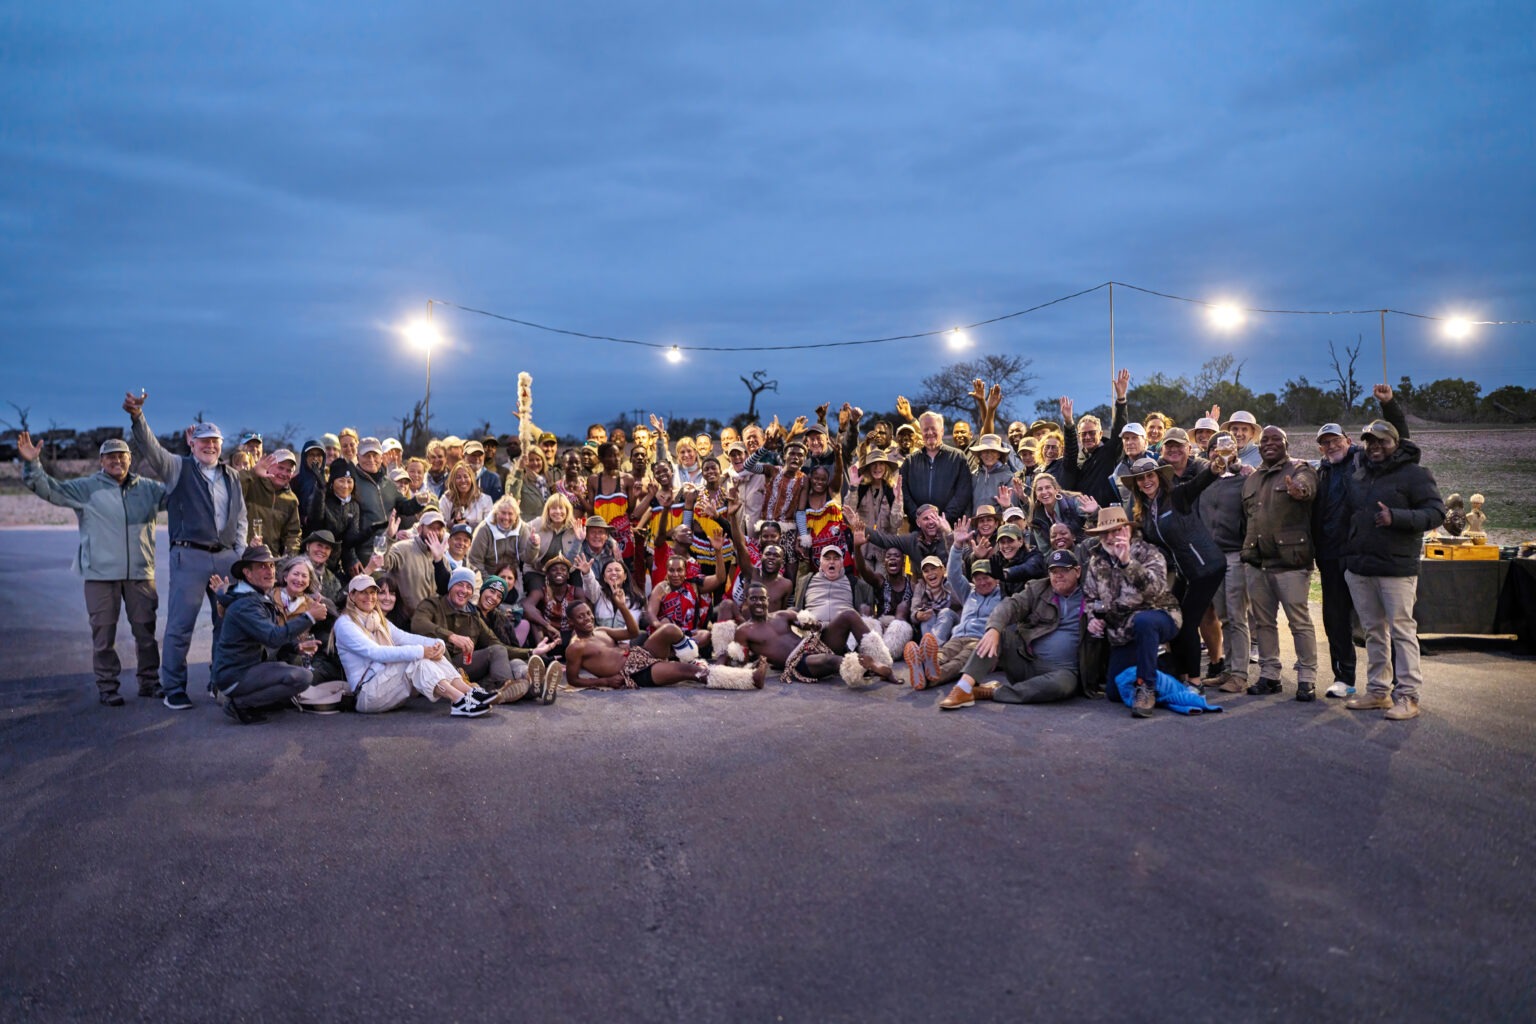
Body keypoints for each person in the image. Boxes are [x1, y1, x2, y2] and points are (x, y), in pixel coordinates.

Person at [20, 433, 167, 705]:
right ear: (101, 461)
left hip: (140, 574)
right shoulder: (86, 488)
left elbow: (182, 496)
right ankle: (108, 688)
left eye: (121, 455)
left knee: (146, 633)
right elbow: (48, 488)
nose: (116, 460)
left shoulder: (149, 489)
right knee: (103, 635)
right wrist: (32, 464)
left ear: (130, 459)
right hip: (100, 576)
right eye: (110, 456)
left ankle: (150, 682)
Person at [124, 391, 248, 710]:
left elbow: (242, 516)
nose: (209, 446)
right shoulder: (177, 468)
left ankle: (220, 681)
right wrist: (138, 418)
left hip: (226, 557)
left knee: (227, 623)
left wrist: (239, 553)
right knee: (181, 624)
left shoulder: (231, 475)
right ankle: (174, 687)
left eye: (215, 442)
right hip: (189, 556)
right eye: (203, 441)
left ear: (221, 446)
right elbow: (150, 448)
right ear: (192, 444)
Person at [1342, 419, 1445, 721]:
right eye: (1370, 442)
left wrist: (1396, 517)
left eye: (1382, 441)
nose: (1375, 447)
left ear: (1395, 443)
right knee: (1373, 631)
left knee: (1402, 631)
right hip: (1360, 566)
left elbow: (1436, 512)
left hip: (1396, 568)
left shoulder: (1415, 475)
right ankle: (1377, 692)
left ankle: (1408, 696)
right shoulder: (1360, 474)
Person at [1312, 383, 1409, 698]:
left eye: (1335, 440)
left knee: (1377, 622)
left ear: (1348, 440)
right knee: (1335, 618)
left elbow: (1399, 440)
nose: (1330, 446)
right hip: (1329, 556)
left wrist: (1389, 405)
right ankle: (1344, 678)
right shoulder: (1319, 472)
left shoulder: (1362, 460)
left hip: (1362, 554)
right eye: (1324, 443)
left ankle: (1392, 682)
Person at [936, 549, 1086, 710]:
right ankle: (963, 688)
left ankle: (993, 692)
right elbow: (1010, 605)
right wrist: (994, 628)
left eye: (1064, 570)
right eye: (1053, 571)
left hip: (1063, 671)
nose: (1058, 575)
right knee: (998, 634)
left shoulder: (1090, 594)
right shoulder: (1039, 588)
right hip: (1026, 661)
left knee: (1063, 686)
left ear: (1077, 572)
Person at [331, 575, 498, 717]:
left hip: (388, 686)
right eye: (363, 593)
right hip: (367, 694)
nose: (370, 597)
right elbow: (376, 653)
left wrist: (435, 644)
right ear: (352, 596)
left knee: (430, 654)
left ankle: (468, 692)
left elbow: (406, 638)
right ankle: (460, 701)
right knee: (415, 659)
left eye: (373, 592)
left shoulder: (376, 619)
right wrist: (421, 651)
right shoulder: (345, 624)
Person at [1123, 457, 1224, 685]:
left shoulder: (1177, 496)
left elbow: (1199, 482)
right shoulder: (1145, 511)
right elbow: (1131, 529)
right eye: (1141, 478)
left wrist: (1215, 468)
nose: (1146, 481)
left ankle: (1196, 683)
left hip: (1206, 567)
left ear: (1159, 477)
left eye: (1150, 475)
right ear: (1136, 484)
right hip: (1184, 572)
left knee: (1188, 623)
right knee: (1173, 619)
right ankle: (1182, 676)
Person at [1240, 426, 1319, 699]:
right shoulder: (1251, 479)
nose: (1270, 444)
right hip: (1257, 561)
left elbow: (1307, 488)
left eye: (1276, 439)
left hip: (1291, 562)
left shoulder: (1300, 468)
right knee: (1263, 622)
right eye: (1265, 441)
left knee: (1299, 621)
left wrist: (1299, 490)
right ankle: (1269, 674)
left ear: (1286, 444)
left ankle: (1307, 677)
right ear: (1259, 446)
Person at [1081, 506, 1182, 717]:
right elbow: (1090, 598)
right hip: (1122, 631)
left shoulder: (1148, 552)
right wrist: (1092, 618)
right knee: (1114, 693)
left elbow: (1156, 590)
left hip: (1160, 615)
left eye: (1116, 530)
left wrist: (1128, 562)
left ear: (1127, 529)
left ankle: (1147, 688)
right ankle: (1161, 668)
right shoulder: (1095, 561)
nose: (1110, 537)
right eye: (1105, 532)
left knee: (1145, 622)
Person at [208, 545, 325, 723]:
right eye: (262, 566)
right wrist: (310, 617)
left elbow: (272, 629)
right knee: (303, 677)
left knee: (295, 675)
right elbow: (273, 637)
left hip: (245, 669)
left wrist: (296, 645)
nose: (270, 571)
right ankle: (241, 704)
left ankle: (247, 700)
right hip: (235, 675)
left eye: (271, 566)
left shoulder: (256, 595)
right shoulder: (247, 603)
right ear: (247, 573)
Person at [565, 599, 764, 690]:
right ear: (571, 622)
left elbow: (634, 633)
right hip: (632, 673)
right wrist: (604, 682)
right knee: (688, 672)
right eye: (580, 617)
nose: (587, 618)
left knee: (670, 630)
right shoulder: (576, 647)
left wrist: (622, 606)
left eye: (588, 613)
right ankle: (748, 680)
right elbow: (573, 680)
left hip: (638, 654)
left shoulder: (600, 631)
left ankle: (693, 660)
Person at [731, 581, 886, 686]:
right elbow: (742, 663)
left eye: (762, 598)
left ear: (768, 599)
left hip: (814, 645)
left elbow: (809, 624)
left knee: (849, 615)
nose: (758, 602)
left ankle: (882, 660)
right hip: (800, 663)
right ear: (746, 601)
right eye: (753, 599)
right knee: (831, 660)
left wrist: (813, 624)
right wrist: (757, 664)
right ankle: (867, 668)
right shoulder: (744, 631)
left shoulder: (782, 615)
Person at [1198, 433, 1254, 694]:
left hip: (1235, 554)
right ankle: (1229, 670)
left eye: (1226, 448)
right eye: (1214, 448)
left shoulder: (1244, 480)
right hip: (1212, 556)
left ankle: (1240, 674)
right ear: (1208, 453)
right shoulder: (1203, 482)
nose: (1219, 452)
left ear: (1235, 451)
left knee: (1237, 615)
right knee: (1223, 616)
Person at [903, 549, 1002, 694]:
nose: (982, 582)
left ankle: (928, 677)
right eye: (978, 578)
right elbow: (954, 575)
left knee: (959, 662)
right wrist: (956, 546)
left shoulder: (1003, 595)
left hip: (981, 640)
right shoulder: (969, 592)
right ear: (973, 580)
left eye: (986, 577)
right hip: (959, 636)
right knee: (942, 654)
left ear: (996, 578)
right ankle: (925, 666)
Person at [410, 567, 517, 696]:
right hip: (437, 665)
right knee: (438, 644)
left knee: (498, 651)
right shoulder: (432, 605)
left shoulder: (473, 615)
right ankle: (482, 692)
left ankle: (505, 693)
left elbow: (497, 644)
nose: (464, 590)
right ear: (450, 586)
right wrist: (451, 636)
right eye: (459, 584)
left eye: (469, 587)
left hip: (462, 668)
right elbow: (418, 624)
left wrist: (532, 652)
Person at [1058, 371, 1131, 508]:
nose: (1087, 437)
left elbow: (1118, 431)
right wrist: (1068, 423)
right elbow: (1070, 451)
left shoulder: (1109, 452)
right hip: (1080, 515)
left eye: (1092, 433)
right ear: (1079, 437)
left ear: (1101, 433)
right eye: (1083, 434)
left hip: (1107, 512)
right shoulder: (1076, 461)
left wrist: (1121, 399)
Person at [899, 411, 972, 528]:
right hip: (918, 530)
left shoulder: (958, 458)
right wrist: (919, 518)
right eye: (925, 429)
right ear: (921, 432)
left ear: (942, 431)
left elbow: (962, 493)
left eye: (933, 429)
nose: (929, 433)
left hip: (949, 528)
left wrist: (943, 520)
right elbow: (904, 493)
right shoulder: (910, 461)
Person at [240, 449, 303, 554]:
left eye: (289, 470)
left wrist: (289, 559)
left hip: (272, 560)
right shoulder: (252, 484)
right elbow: (232, 487)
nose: (284, 473)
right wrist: (253, 472)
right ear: (269, 466)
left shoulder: (291, 500)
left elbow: (293, 534)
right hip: (245, 553)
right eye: (280, 467)